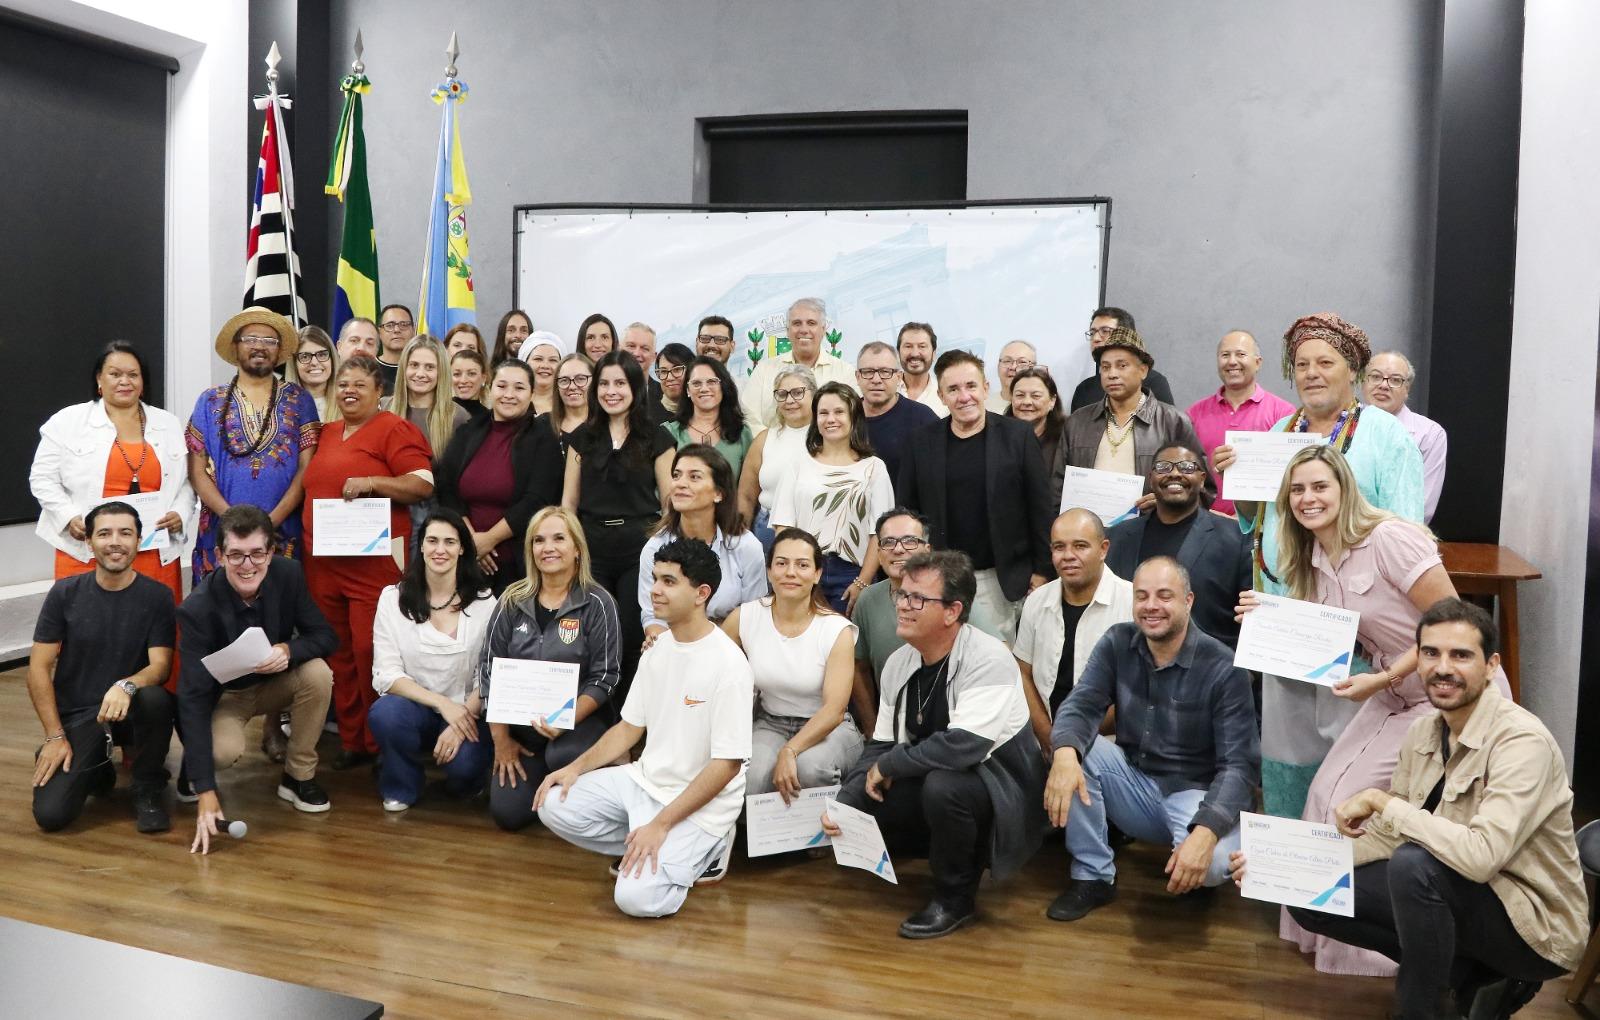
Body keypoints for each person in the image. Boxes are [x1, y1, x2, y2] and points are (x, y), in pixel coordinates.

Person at [1233, 600, 1585, 1020]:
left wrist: (1383, 802)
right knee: (1310, 895)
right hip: (1464, 893)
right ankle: (1473, 977)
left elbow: (1480, 856)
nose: (1442, 667)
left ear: (1491, 665)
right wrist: (1284, 866)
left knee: (1414, 867)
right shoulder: (1423, 731)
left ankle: (1421, 1010)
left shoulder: (1521, 743)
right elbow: (1388, 835)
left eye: (1461, 655)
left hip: (1535, 927)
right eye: (1431, 653)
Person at [1245, 444, 1504, 976]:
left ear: (1345, 489)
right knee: (1322, 792)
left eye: (1320, 486)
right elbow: (1328, 635)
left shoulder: (1389, 538)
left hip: (1446, 697)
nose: (1308, 498)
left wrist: (1384, 678)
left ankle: (1370, 957)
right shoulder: (1315, 556)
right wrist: (1267, 615)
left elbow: (1455, 625)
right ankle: (1316, 932)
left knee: (1348, 804)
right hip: (1393, 692)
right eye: (1297, 490)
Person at [1211, 312, 1425, 820]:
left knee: (1349, 761)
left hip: (1355, 636)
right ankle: (1292, 883)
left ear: (1351, 370)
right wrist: (1239, 486)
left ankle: (1351, 879)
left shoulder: (1385, 436)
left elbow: (1408, 534)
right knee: (1287, 757)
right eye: (1302, 364)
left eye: (1325, 362)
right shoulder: (1282, 431)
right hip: (1285, 625)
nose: (1311, 373)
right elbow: (1261, 526)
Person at [825, 550, 1046, 939]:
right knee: (872, 798)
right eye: (901, 596)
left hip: (1002, 784)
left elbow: (964, 746)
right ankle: (941, 852)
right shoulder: (899, 662)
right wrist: (846, 802)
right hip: (935, 774)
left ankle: (955, 899)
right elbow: (881, 745)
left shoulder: (990, 657)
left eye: (917, 599)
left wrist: (891, 767)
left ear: (951, 611)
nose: (903, 607)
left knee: (944, 787)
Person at [536, 538, 753, 916]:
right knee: (553, 803)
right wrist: (572, 769)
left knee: (635, 899)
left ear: (702, 593)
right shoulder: (660, 647)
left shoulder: (730, 666)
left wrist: (662, 824)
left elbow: (727, 765)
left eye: (669, 582)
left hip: (699, 806)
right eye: (654, 579)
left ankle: (706, 848)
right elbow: (628, 728)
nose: (654, 590)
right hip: (645, 783)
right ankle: (644, 843)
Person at [1044, 557, 1258, 921]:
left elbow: (1239, 767)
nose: (1151, 606)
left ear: (1188, 601)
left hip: (1196, 793)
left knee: (1211, 868)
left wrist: (1204, 835)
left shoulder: (1223, 666)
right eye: (1141, 596)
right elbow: (1081, 704)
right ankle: (1093, 876)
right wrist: (1064, 754)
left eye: (1164, 596)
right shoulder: (1117, 641)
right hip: (1135, 782)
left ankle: (1195, 865)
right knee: (1076, 750)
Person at [178, 505, 337, 854]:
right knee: (222, 752)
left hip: (272, 685)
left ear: (271, 552)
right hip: (225, 698)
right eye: (236, 555)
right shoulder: (197, 609)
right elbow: (190, 698)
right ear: (219, 556)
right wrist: (207, 791)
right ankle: (194, 767)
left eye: (256, 554)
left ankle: (298, 776)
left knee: (318, 673)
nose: (247, 565)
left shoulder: (289, 575)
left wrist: (288, 649)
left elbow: (325, 637)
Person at [301, 355, 434, 770]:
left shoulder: (395, 428)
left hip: (373, 564)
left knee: (368, 649)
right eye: (343, 385)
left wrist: (373, 483)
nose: (349, 391)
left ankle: (381, 742)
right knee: (337, 652)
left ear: (380, 391)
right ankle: (353, 740)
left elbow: (422, 484)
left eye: (360, 384)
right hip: (323, 562)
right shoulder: (326, 432)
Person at [27, 501, 177, 834]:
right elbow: (38, 668)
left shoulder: (158, 597)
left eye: (126, 533)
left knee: (157, 699)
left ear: (139, 541)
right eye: (104, 533)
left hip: (131, 710)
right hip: (81, 716)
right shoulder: (65, 594)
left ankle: (147, 786)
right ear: (89, 542)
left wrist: (127, 685)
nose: (115, 542)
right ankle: (95, 768)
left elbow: (161, 667)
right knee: (51, 815)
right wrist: (54, 736)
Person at [483, 507, 623, 832]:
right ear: (530, 550)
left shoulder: (599, 602)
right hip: (523, 730)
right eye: (539, 540)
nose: (548, 548)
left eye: (559, 538)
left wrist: (566, 718)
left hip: (577, 725)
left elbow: (606, 676)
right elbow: (489, 672)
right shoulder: (511, 601)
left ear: (577, 548)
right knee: (508, 815)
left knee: (564, 755)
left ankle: (585, 784)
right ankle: (542, 788)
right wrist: (501, 741)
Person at [898, 350, 1053, 643]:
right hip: (939, 577)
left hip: (1001, 578)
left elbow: (1040, 509)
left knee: (996, 662)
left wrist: (1043, 571)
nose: (964, 396)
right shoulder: (920, 443)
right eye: (953, 389)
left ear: (985, 388)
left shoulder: (1017, 436)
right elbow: (908, 513)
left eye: (971, 386)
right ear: (942, 396)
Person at [30, 341, 192, 606]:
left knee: (155, 636)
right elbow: (42, 479)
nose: (124, 381)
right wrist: (68, 517)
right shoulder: (68, 421)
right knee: (87, 631)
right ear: (99, 379)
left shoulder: (168, 423)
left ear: (142, 381)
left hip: (152, 551)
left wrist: (181, 514)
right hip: (88, 549)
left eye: (133, 374)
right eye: (115, 374)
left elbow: (186, 482)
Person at [562, 351, 676, 690]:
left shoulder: (657, 438)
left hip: (639, 553)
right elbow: (569, 501)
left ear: (635, 388)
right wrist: (572, 549)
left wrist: (655, 543)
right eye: (604, 383)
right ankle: (595, 714)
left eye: (620, 383)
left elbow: (671, 503)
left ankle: (630, 721)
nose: (612, 391)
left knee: (630, 633)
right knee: (591, 634)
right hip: (590, 549)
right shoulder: (582, 437)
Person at [369, 509, 495, 811]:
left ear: (462, 548)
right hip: (415, 707)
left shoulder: (485, 602)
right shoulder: (392, 599)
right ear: (421, 546)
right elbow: (386, 674)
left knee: (464, 771)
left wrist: (460, 716)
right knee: (385, 713)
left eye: (450, 542)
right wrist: (442, 704)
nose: (440, 550)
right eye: (433, 541)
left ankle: (466, 780)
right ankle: (401, 784)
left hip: (469, 710)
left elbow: (491, 675)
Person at [724, 527, 861, 799]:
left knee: (809, 769)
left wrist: (790, 750)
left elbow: (834, 710)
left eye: (802, 565)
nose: (790, 573)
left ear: (817, 574)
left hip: (828, 726)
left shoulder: (836, 629)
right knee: (750, 778)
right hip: (770, 722)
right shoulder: (746, 617)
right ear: (769, 570)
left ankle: (822, 839)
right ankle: (762, 841)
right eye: (782, 563)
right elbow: (709, 658)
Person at [187, 308, 320, 578]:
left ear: (279, 350)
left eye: (269, 341)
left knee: (279, 613)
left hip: (284, 534)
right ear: (236, 347)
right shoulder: (209, 400)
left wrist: (270, 523)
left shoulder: (300, 400)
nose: (259, 346)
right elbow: (196, 471)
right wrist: (232, 521)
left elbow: (308, 469)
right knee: (220, 615)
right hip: (222, 534)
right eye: (250, 338)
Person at [434, 359, 565, 596]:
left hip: (517, 562)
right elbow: (446, 487)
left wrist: (488, 541)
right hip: (463, 557)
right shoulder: (468, 430)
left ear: (532, 393)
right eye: (502, 386)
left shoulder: (544, 438)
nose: (509, 395)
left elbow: (536, 499)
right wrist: (472, 540)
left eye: (519, 388)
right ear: (490, 388)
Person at [1014, 509, 1134, 754]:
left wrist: (1072, 739)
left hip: (1108, 745)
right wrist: (1049, 737)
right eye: (1059, 547)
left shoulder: (1132, 602)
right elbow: (1023, 673)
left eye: (1080, 546)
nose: (1068, 556)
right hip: (1043, 742)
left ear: (1103, 549)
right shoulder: (1037, 600)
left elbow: (1136, 690)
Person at [1106, 445, 1249, 648]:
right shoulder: (1117, 537)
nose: (1174, 473)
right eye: (1163, 467)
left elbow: (1249, 615)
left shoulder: (1236, 538)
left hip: (1209, 670)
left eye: (1186, 467)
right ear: (1151, 478)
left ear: (1201, 480)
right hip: (1129, 665)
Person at [770, 382, 895, 614]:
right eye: (823, 413)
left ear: (853, 417)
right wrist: (792, 570)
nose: (831, 419)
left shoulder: (874, 468)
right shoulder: (798, 465)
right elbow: (783, 525)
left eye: (839, 412)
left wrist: (863, 582)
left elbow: (879, 533)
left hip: (850, 574)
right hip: (802, 572)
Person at [1057, 328, 1214, 507]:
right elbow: (1057, 487)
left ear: (1143, 370)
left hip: (1153, 529)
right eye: (1105, 367)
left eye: (1122, 365)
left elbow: (1203, 489)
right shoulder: (1078, 422)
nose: (1112, 374)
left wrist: (1168, 502)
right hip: (1088, 530)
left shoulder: (1173, 421)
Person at [640, 445, 766, 642]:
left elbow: (753, 616)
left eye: (694, 477)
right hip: (674, 646)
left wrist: (708, 651)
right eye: (676, 475)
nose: (680, 484)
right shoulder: (655, 547)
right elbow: (652, 616)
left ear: (718, 493)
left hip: (731, 646)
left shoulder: (746, 546)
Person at [1185, 330, 1296, 516]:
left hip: (1263, 525)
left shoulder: (1283, 413)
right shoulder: (1194, 414)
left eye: (1241, 354)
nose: (1232, 361)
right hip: (1205, 523)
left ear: (1258, 362)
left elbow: (1292, 477)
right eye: (1225, 355)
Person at [851, 508, 931, 734]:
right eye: (888, 542)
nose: (898, 549)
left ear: (927, 549)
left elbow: (997, 651)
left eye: (909, 541)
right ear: (878, 553)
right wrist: (871, 728)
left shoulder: (950, 593)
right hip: (892, 729)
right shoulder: (868, 599)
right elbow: (858, 667)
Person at [740, 297, 857, 430]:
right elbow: (749, 419)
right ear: (788, 330)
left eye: (811, 323)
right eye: (797, 323)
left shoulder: (845, 372)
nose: (804, 329)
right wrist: (773, 444)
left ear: (823, 329)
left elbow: (853, 419)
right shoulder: (763, 371)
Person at [737, 365, 816, 551]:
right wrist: (740, 540)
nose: (789, 400)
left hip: (814, 526)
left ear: (814, 394)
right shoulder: (764, 440)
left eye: (797, 392)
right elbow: (746, 496)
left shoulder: (828, 438)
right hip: (768, 529)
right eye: (782, 394)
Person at [1365, 351, 1447, 523]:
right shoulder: (1344, 424)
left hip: (1400, 537)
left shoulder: (1430, 434)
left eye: (1395, 380)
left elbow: (1423, 506)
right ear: (1363, 382)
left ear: (1407, 389)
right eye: (1375, 377)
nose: (1383, 385)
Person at [855, 341, 937, 492]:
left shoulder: (923, 419)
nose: (876, 379)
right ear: (857, 376)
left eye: (885, 372)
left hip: (905, 513)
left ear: (899, 377)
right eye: (868, 372)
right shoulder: (844, 418)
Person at [1068, 306, 1177, 410]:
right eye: (1092, 333)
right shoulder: (1084, 389)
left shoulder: (1154, 382)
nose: (1096, 338)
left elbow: (1167, 424)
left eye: (1105, 331)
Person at [663, 356, 754, 478]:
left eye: (712, 382)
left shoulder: (742, 434)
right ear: (688, 391)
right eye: (696, 383)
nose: (704, 389)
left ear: (724, 387)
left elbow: (746, 493)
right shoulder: (669, 433)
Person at [386, 334, 471, 456]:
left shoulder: (458, 417)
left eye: (429, 367)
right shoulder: (382, 408)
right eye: (414, 365)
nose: (420, 373)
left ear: (440, 372)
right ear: (404, 368)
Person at [1005, 366, 1065, 483]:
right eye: (1020, 395)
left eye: (1036, 396)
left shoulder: (1065, 438)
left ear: (1052, 401)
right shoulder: (996, 435)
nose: (1027, 402)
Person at [286, 324, 339, 422]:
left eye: (322, 354)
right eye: (305, 356)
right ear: (294, 364)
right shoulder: (282, 408)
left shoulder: (349, 403)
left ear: (332, 359)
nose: (314, 362)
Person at [896, 321, 946, 417]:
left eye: (922, 346)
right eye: (908, 346)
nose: (915, 353)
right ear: (898, 353)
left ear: (934, 353)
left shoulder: (945, 394)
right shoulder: (886, 389)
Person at [550, 353, 593, 457]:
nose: (572, 386)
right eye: (564, 380)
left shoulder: (607, 426)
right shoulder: (539, 426)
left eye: (581, 379)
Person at [518, 329, 566, 417]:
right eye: (538, 359)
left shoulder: (569, 404)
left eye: (553, 360)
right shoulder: (513, 401)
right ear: (525, 363)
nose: (545, 366)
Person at [375, 303, 417, 394]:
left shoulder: (421, 369)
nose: (397, 330)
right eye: (390, 325)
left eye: (404, 324)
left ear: (413, 331)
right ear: (379, 333)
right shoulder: (368, 369)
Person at [649, 342, 695, 425]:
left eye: (677, 370)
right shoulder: (648, 417)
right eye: (663, 371)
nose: (669, 378)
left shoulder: (708, 412)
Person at [621, 321, 663, 408]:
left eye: (645, 348)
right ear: (619, 350)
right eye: (631, 346)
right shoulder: (602, 392)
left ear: (654, 357)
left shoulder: (665, 396)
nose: (637, 353)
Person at [989, 339, 1037, 412]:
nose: (1013, 367)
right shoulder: (983, 405)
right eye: (1007, 361)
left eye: (1022, 362)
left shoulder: (1040, 406)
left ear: (1034, 368)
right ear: (998, 367)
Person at [449, 348, 488, 418]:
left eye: (471, 374)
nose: (463, 380)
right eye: (457, 374)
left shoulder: (491, 418)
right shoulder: (438, 412)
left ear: (483, 378)